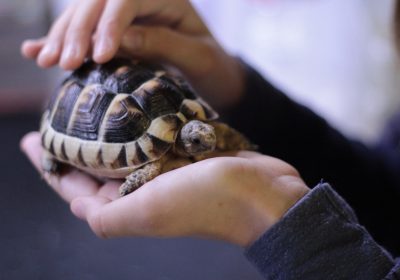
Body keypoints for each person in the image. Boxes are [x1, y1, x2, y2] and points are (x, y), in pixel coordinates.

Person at [20, 0, 400, 278]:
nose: (205, 141)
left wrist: (281, 220)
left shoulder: (186, 140)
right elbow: (390, 193)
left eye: (202, 140)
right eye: (198, 140)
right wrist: (234, 85)